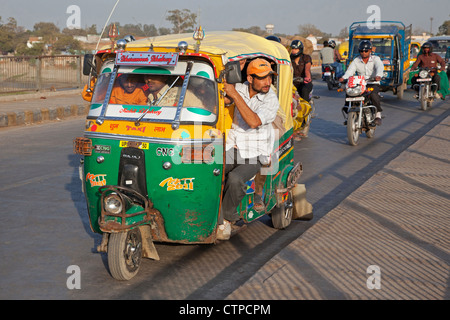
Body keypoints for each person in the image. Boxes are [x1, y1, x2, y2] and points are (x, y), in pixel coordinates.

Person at [218, 58, 280, 240]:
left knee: (236, 179)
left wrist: (234, 95)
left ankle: (228, 218)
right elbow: (225, 98)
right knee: (213, 171)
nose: (268, 82)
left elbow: (253, 122)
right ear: (250, 78)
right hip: (233, 145)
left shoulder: (271, 100)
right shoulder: (239, 88)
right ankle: (210, 213)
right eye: (262, 78)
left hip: (255, 152)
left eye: (270, 77)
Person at [339, 40, 384, 126]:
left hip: (372, 83)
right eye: (361, 51)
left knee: (374, 95)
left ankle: (378, 114)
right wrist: (344, 78)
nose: (363, 53)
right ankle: (349, 116)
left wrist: (378, 75)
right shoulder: (356, 61)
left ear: (370, 51)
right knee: (349, 94)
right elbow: (350, 71)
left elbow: (379, 67)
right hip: (360, 84)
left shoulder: (376, 59)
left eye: (366, 51)